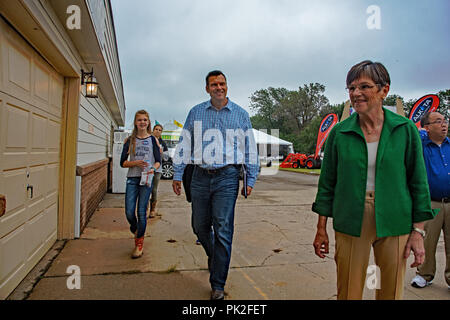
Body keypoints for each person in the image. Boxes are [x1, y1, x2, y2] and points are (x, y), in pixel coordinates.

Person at [312, 60, 436, 300]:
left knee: (390, 290)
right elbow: (327, 184)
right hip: (350, 218)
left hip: (395, 217)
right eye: (351, 88)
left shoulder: (405, 129)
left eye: (364, 87)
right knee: (348, 289)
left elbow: (418, 182)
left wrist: (418, 232)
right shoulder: (340, 132)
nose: (356, 93)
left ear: (384, 90)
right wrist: (321, 229)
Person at [172, 70, 259, 300]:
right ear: (207, 88)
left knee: (223, 229)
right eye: (213, 84)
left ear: (227, 86)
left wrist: (250, 178)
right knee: (200, 227)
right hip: (200, 177)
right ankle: (215, 257)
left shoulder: (240, 115)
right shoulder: (196, 112)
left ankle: (218, 284)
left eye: (222, 84)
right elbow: (184, 144)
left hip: (227, 177)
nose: (218, 87)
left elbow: (250, 148)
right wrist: (177, 174)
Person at [411, 112, 450, 289]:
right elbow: (414, 132)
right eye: (438, 121)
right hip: (432, 202)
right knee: (428, 240)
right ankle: (424, 274)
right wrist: (422, 132)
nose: (444, 124)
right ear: (427, 128)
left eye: (445, 121)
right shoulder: (422, 145)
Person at [120, 110, 161, 259]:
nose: (142, 122)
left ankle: (139, 244)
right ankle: (135, 228)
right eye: (139, 120)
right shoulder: (129, 140)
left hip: (146, 180)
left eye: (145, 120)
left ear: (148, 122)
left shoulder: (153, 141)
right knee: (129, 212)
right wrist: (135, 163)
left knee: (141, 212)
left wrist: (152, 168)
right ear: (135, 123)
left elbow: (158, 161)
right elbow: (122, 163)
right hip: (132, 179)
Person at [148, 123, 168, 218]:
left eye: (160, 130)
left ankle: (152, 210)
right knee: (145, 189)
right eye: (156, 129)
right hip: (147, 168)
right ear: (153, 130)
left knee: (154, 189)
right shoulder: (148, 140)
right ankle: (143, 208)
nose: (158, 131)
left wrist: (162, 153)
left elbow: (166, 157)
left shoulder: (163, 143)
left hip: (157, 169)